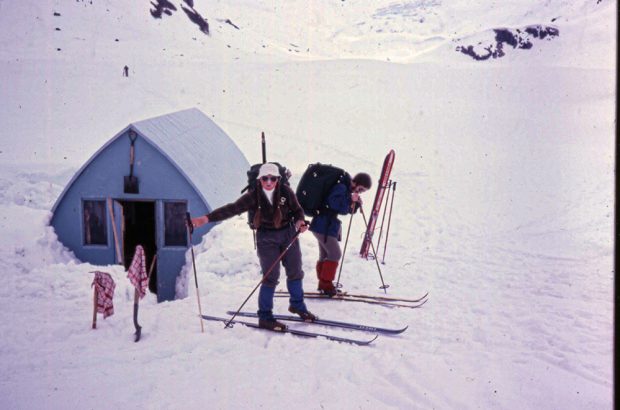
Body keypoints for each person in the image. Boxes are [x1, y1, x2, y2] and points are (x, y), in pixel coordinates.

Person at [191, 163, 316, 330]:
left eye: (273, 178)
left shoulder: (286, 192)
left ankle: (297, 306)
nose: (269, 182)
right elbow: (232, 209)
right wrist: (206, 218)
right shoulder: (253, 196)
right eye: (265, 178)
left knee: (295, 271)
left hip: (288, 234)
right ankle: (265, 316)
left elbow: (297, 211)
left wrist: (300, 223)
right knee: (270, 277)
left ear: (278, 179)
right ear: (260, 180)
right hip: (266, 238)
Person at [309, 172, 372, 296]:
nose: (359, 192)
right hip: (323, 225)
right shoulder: (341, 187)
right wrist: (350, 199)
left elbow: (344, 209)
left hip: (324, 225)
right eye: (360, 189)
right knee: (335, 254)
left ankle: (323, 284)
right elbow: (333, 203)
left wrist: (355, 204)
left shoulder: (345, 188)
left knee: (325, 254)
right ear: (355, 182)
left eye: (362, 191)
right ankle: (326, 285)